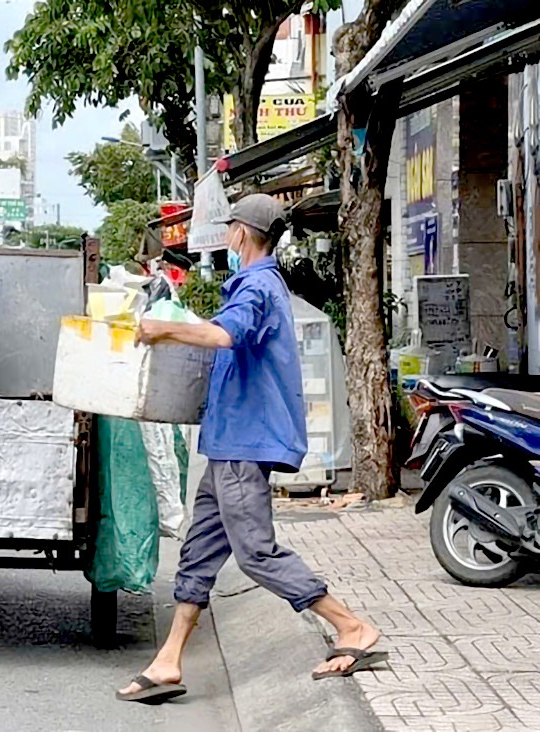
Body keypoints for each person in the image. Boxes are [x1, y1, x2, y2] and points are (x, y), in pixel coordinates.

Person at [117, 194, 385, 704]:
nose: (227, 236)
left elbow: (224, 336)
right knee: (197, 555)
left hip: (244, 445)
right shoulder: (255, 284)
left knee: (256, 553)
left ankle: (351, 627)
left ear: (241, 233)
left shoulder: (258, 286)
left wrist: (162, 328)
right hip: (228, 445)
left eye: (230, 228)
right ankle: (169, 659)